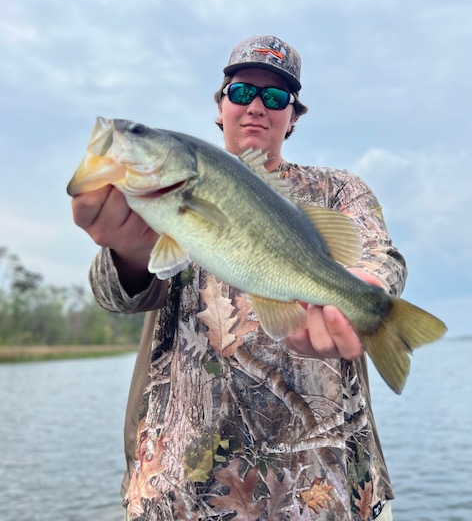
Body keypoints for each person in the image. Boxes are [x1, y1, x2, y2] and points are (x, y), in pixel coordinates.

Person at [71, 35, 406, 520]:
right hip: (180, 493)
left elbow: (382, 256)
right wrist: (123, 249)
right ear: (221, 104)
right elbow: (114, 296)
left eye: (275, 97)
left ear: (292, 117)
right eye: (242, 90)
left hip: (325, 489)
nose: (256, 106)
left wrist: (368, 291)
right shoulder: (162, 194)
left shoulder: (339, 189)